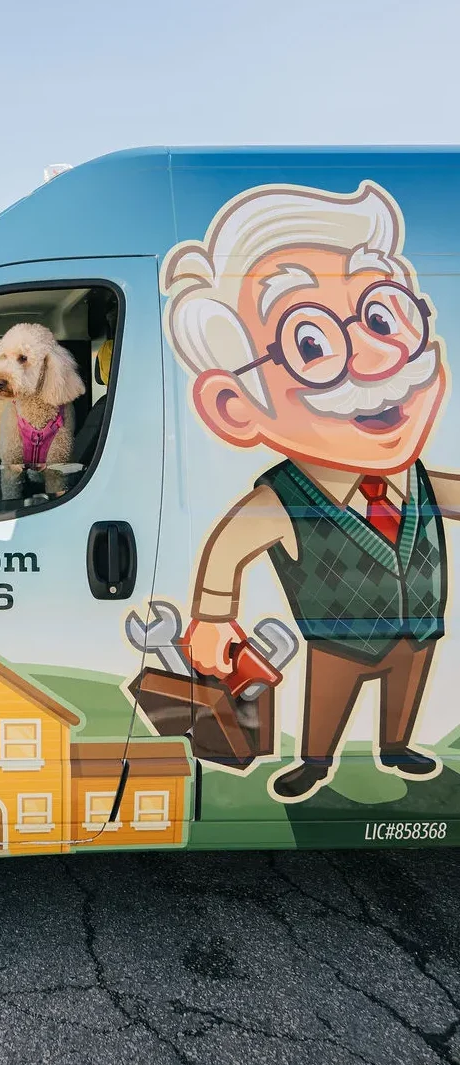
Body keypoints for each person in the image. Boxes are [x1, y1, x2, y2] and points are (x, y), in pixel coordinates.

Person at [161, 180, 460, 801]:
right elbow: (230, 546)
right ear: (235, 406)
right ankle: (316, 760)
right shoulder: (285, 494)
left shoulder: (417, 479)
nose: (379, 360)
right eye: (312, 342)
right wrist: (213, 616)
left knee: (408, 680)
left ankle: (397, 745)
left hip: (417, 623)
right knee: (331, 692)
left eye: (382, 316)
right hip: (339, 634)